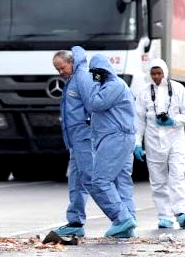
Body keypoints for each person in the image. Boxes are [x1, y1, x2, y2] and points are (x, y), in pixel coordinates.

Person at [87, 54, 137, 237]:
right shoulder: (110, 86)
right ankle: (129, 222)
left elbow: (96, 103)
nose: (95, 76)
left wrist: (91, 84)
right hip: (120, 136)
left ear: (105, 71)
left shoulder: (113, 85)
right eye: (92, 73)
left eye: (97, 72)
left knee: (100, 181)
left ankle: (122, 218)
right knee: (121, 180)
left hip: (115, 137)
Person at [134, 58, 185, 229]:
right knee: (157, 179)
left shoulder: (178, 89)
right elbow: (139, 120)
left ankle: (181, 212)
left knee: (177, 176)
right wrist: (137, 143)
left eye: (159, 73)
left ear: (165, 72)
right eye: (153, 73)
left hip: (175, 139)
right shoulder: (143, 93)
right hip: (153, 141)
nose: (156, 76)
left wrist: (174, 121)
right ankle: (164, 216)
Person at [51, 46, 94, 237]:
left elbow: (93, 106)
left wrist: (88, 127)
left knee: (92, 181)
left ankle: (121, 217)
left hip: (84, 138)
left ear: (72, 63)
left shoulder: (82, 80)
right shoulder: (70, 82)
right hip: (75, 141)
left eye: (62, 68)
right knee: (76, 181)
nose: (60, 72)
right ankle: (75, 221)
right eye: (57, 69)